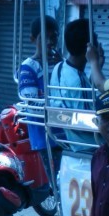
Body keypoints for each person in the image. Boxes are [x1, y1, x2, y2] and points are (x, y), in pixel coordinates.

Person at [18, 15, 63, 179]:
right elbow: (32, 103)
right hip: (44, 134)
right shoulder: (28, 67)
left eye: (54, 37)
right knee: (57, 180)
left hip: (64, 131)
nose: (50, 42)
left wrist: (62, 65)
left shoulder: (60, 63)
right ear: (32, 39)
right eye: (44, 38)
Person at [49, 19, 97, 148]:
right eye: (95, 37)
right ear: (88, 46)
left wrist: (97, 65)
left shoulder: (58, 68)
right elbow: (89, 123)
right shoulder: (77, 81)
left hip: (69, 141)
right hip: (88, 146)